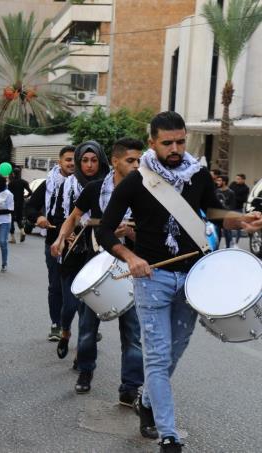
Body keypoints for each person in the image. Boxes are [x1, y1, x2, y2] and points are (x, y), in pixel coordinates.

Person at [97, 111, 262, 452]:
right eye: (167, 142)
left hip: (192, 278)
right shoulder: (136, 181)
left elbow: (215, 213)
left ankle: (147, 401)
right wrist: (131, 258)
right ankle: (168, 434)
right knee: (157, 357)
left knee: (175, 351)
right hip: (152, 277)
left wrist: (240, 221)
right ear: (152, 142)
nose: (175, 148)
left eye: (180, 141)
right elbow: (104, 229)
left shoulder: (197, 174)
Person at [51, 138, 144, 403]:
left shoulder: (144, 191)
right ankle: (85, 371)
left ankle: (130, 387)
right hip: (98, 266)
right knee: (88, 326)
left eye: (139, 160)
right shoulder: (94, 189)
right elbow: (72, 218)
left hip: (131, 266)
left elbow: (151, 234)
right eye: (131, 160)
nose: (137, 165)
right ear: (115, 162)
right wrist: (60, 239)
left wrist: (131, 232)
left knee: (132, 333)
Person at [56, 141, 110, 361]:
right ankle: (65, 332)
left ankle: (83, 356)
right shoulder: (67, 185)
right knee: (69, 305)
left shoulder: (109, 186)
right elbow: (61, 216)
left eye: (94, 160)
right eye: (84, 160)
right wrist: (62, 236)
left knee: (87, 308)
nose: (89, 165)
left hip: (95, 255)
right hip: (71, 251)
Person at [25, 145, 75, 341]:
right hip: (54, 243)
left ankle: (88, 325)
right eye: (68, 159)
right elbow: (29, 208)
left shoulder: (86, 184)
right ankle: (57, 324)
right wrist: (38, 218)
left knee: (82, 287)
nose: (71, 163)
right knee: (56, 286)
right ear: (60, 162)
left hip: (81, 244)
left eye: (74, 159)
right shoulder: (49, 185)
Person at [7, 167, 32, 243]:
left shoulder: (11, 183)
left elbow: (8, 194)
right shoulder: (24, 182)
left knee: (11, 219)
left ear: (13, 174)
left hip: (12, 203)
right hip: (21, 202)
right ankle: (22, 232)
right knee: (19, 218)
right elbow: (30, 192)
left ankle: (13, 238)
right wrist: (25, 196)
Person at [214, 175, 236, 248]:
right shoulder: (216, 191)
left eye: (219, 180)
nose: (217, 182)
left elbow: (232, 206)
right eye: (217, 180)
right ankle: (215, 249)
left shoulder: (231, 192)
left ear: (224, 182)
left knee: (227, 233)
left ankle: (228, 248)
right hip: (217, 216)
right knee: (216, 233)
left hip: (226, 216)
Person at [229, 173, 250, 245]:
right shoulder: (233, 184)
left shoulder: (246, 188)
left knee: (238, 227)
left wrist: (234, 196)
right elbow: (228, 193)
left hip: (238, 209)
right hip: (230, 208)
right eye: (236, 178)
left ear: (243, 180)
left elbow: (244, 199)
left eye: (238, 179)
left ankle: (236, 243)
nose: (236, 180)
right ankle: (230, 241)